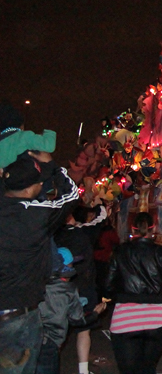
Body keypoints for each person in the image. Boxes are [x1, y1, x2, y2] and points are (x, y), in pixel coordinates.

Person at [0, 151, 80, 374]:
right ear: (28, 190)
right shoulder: (34, 215)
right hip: (17, 318)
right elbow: (72, 195)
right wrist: (54, 167)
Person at [104, 212, 162, 374]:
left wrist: (117, 297)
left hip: (125, 320)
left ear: (132, 229)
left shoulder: (120, 252)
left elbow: (108, 285)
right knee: (148, 368)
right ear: (153, 229)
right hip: (156, 319)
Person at [55, 203, 107, 374]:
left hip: (57, 288)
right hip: (83, 287)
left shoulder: (52, 235)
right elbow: (102, 217)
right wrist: (100, 203)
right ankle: (83, 370)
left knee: (55, 330)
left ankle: (49, 365)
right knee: (84, 330)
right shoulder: (84, 232)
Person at [37, 248, 106, 374]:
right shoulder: (67, 290)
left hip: (31, 336)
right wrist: (96, 313)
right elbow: (78, 321)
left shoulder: (39, 283)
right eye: (71, 263)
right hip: (50, 340)